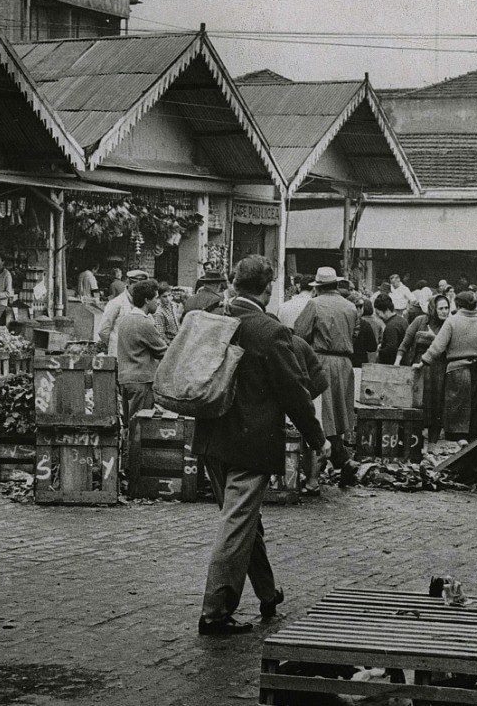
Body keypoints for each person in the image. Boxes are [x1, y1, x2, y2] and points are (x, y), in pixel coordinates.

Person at [193, 255, 328, 636]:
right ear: (267, 289)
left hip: (211, 439)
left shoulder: (215, 317)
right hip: (249, 444)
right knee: (236, 526)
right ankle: (215, 612)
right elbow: (294, 395)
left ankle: (267, 594)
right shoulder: (270, 332)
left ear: (235, 284)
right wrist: (317, 439)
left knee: (244, 521)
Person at [414, 292, 477, 441]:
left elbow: (437, 347)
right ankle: (476, 450)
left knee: (457, 414)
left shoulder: (452, 321)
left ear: (459, 305)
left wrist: (422, 362)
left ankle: (457, 450)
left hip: (457, 372)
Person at [294, 267, 358, 460]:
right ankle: (338, 459)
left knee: (322, 413)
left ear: (318, 287)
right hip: (345, 362)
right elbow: (355, 333)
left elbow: (300, 333)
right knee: (338, 414)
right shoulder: (350, 306)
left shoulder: (314, 304)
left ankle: (339, 459)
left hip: (321, 360)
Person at [397, 294, 450, 441]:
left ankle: (433, 440)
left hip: (440, 368)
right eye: (441, 308)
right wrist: (397, 362)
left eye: (446, 308)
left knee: (437, 403)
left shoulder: (449, 325)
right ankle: (414, 440)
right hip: (419, 367)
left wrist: (434, 338)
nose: (444, 311)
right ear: (433, 309)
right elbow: (405, 343)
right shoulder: (420, 321)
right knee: (418, 402)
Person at [117, 279, 168, 421]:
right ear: (147, 300)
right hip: (141, 380)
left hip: (125, 379)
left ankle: (127, 443)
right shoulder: (144, 323)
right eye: (156, 297)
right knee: (140, 425)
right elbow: (163, 351)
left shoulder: (124, 320)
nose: (158, 302)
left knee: (128, 423)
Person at [98, 268, 148, 355]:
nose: (139, 291)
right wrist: (115, 343)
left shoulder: (144, 304)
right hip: (118, 354)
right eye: (136, 286)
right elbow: (103, 331)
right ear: (128, 283)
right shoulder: (116, 303)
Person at [374, 292, 407, 365]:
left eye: (378, 313)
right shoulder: (402, 320)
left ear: (387, 310)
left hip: (393, 366)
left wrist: (380, 350)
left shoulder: (391, 326)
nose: (379, 317)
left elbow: (391, 349)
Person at [152, 280, 181, 345]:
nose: (168, 299)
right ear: (159, 297)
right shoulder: (159, 312)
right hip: (170, 342)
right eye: (164, 296)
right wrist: (170, 344)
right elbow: (161, 333)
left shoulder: (174, 305)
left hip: (178, 338)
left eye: (169, 295)